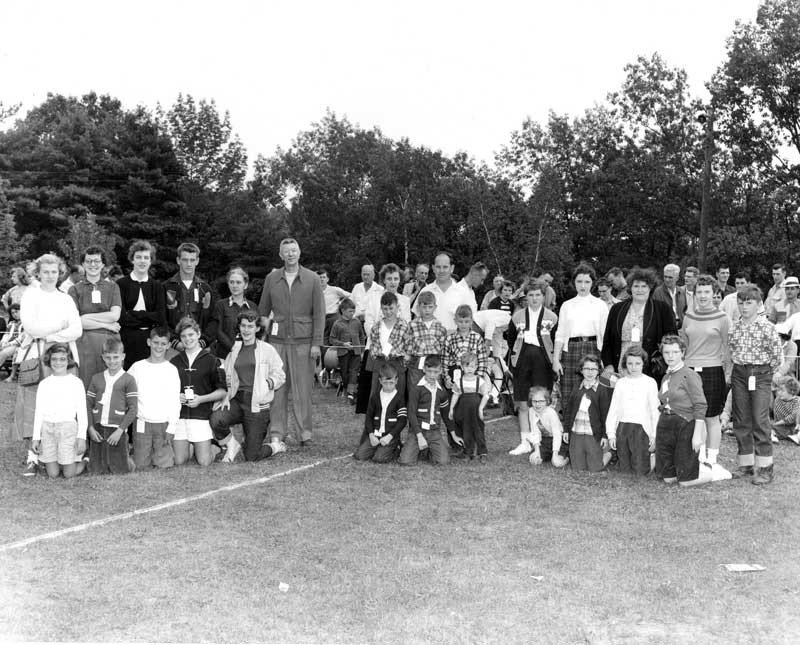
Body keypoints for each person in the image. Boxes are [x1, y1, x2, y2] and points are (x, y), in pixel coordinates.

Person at [17, 253, 82, 475]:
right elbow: (31, 328)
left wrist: (52, 336)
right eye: (45, 271)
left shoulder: (66, 298)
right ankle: (33, 457)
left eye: (54, 271)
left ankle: (66, 453)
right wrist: (59, 325)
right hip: (36, 356)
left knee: (63, 405)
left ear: (60, 272)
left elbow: (77, 329)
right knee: (35, 405)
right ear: (38, 272)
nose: (50, 276)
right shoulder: (30, 296)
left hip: (64, 354)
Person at [258, 238, 325, 447]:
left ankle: (304, 433)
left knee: (302, 391)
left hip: (304, 344)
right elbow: (262, 311)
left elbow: (320, 314)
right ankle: (277, 433)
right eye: (286, 251)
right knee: (277, 390)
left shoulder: (313, 279)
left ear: (299, 252)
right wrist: (261, 339)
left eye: (293, 250)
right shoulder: (271, 279)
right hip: (276, 343)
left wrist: (316, 343)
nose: (290, 254)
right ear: (280, 255)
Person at [210, 310, 287, 462]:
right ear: (239, 327)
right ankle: (232, 445)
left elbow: (280, 375)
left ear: (257, 328)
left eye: (250, 326)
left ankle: (275, 447)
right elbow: (228, 374)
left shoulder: (267, 349)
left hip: (257, 406)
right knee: (216, 418)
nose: (246, 330)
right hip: (238, 400)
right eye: (243, 326)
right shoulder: (235, 349)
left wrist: (266, 384)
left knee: (252, 455)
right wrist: (226, 396)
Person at [728, 284, 783, 484]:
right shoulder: (735, 325)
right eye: (741, 303)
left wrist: (768, 373)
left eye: (749, 303)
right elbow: (732, 348)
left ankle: (766, 467)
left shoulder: (767, 327)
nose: (744, 307)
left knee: (760, 419)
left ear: (758, 304)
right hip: (740, 373)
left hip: (760, 374)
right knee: (741, 418)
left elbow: (777, 355)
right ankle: (746, 464)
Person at [679, 274, 732, 481]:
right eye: (699, 292)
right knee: (692, 414)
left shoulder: (722, 318)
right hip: (690, 369)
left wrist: (728, 371)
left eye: (706, 292)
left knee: (711, 416)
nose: (702, 296)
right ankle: (697, 455)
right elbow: (683, 343)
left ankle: (712, 459)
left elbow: (727, 348)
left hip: (712, 370)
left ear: (714, 294)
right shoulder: (689, 316)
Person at [654, 334, 713, 487]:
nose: (670, 356)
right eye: (667, 352)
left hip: (685, 424)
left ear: (682, 352)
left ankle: (712, 472)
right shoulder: (666, 376)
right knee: (668, 478)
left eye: (674, 352)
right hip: (666, 424)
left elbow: (701, 405)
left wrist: (697, 435)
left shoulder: (690, 375)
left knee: (686, 482)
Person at [507, 281, 558, 455]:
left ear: (544, 297)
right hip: (522, 361)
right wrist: (515, 358)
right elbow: (511, 339)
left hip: (543, 363)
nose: (534, 298)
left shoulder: (552, 317)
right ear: (525, 297)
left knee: (541, 400)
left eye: (538, 295)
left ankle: (544, 441)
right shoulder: (517, 317)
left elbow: (556, 341)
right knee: (522, 402)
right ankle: (525, 442)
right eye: (530, 295)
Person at [601, 267, 677, 382]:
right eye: (636, 286)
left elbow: (671, 340)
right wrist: (608, 364)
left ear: (650, 288)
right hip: (621, 367)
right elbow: (607, 341)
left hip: (650, 368)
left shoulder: (662, 309)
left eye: (644, 286)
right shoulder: (617, 309)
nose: (639, 290)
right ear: (630, 288)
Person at [170, 317, 227, 466]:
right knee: (179, 460)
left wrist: (201, 399)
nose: (188, 339)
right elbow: (167, 390)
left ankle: (214, 447)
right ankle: (191, 445)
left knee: (204, 462)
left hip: (201, 416)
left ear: (198, 334)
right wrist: (177, 396)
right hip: (181, 416)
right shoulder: (174, 362)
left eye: (191, 335)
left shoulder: (212, 360)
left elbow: (222, 391)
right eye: (183, 336)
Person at [552, 263, 608, 407]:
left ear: (592, 283)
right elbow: (560, 334)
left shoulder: (600, 305)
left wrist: (604, 358)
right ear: (574, 283)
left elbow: (605, 333)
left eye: (587, 282)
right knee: (570, 392)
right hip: (571, 350)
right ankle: (568, 428)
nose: (583, 286)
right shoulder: (567, 305)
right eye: (579, 281)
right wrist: (556, 360)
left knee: (594, 391)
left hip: (594, 349)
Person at [127, 326, 181, 470]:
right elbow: (126, 392)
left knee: (164, 465)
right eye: (156, 342)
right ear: (149, 342)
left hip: (163, 424)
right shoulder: (137, 367)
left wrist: (172, 427)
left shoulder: (171, 369)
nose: (159, 347)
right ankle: (141, 451)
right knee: (140, 466)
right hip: (142, 423)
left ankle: (167, 450)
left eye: (163, 344)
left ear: (169, 345)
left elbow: (175, 400)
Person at [31, 344, 87, 479]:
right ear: (49, 361)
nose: (58, 362)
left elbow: (82, 412)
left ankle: (84, 460)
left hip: (67, 429)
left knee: (69, 474)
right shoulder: (44, 384)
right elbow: (38, 412)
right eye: (54, 359)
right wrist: (36, 438)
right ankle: (58, 459)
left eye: (62, 359)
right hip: (48, 429)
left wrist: (81, 437)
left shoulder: (76, 383)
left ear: (69, 361)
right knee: (53, 474)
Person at [69, 246, 122, 388]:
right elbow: (77, 322)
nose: (93, 265)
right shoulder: (74, 290)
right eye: (89, 261)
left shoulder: (113, 287)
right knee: (86, 386)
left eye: (97, 261)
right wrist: (106, 324)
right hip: (84, 345)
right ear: (83, 264)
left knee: (110, 387)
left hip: (110, 344)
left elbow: (115, 315)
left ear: (103, 264)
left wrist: (86, 317)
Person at [86, 337, 137, 475]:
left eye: (116, 357)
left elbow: (133, 409)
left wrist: (120, 431)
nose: (112, 361)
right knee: (96, 471)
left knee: (120, 471)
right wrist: (90, 428)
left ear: (123, 356)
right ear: (103, 357)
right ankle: (90, 458)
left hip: (117, 429)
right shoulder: (96, 378)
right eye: (108, 357)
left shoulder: (129, 379)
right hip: (98, 428)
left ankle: (127, 459)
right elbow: (88, 405)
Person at [605, 346, 660, 476]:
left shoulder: (650, 382)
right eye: (630, 363)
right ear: (625, 364)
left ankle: (654, 458)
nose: (633, 367)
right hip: (623, 427)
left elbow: (654, 410)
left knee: (640, 472)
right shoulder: (620, 383)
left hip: (641, 429)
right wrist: (611, 434)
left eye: (637, 363)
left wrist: (654, 434)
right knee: (625, 471)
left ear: (643, 364)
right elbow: (613, 409)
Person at [117, 240, 167, 370]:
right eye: (138, 257)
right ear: (132, 259)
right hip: (126, 340)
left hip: (150, 342)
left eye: (146, 258)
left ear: (151, 261)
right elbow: (121, 317)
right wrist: (148, 318)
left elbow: (160, 317)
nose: (142, 261)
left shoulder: (157, 287)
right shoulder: (121, 284)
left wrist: (133, 313)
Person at [562, 353, 612, 472]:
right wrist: (566, 430)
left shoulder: (602, 390)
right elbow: (569, 410)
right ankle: (574, 455)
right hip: (576, 432)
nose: (590, 372)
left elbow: (606, 415)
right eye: (587, 369)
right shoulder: (576, 387)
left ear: (599, 371)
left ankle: (609, 454)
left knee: (595, 469)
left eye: (594, 369)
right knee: (578, 468)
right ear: (581, 370)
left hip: (593, 433)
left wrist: (605, 436)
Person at [399, 354, 450, 466]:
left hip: (434, 431)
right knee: (405, 461)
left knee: (443, 461)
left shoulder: (442, 391)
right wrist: (419, 435)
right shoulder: (416, 388)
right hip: (418, 430)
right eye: (429, 371)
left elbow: (446, 415)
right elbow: (411, 413)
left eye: (435, 372)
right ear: (424, 369)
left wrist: (454, 433)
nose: (432, 375)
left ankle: (429, 450)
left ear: (440, 371)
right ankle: (417, 446)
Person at [164, 242, 215, 350]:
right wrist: (174, 342)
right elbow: (162, 319)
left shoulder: (205, 289)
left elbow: (213, 320)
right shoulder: (166, 288)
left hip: (199, 348)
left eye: (192, 260)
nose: (189, 264)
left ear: (197, 261)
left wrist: (203, 342)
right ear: (178, 260)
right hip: (173, 348)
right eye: (185, 260)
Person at [411, 252, 477, 332]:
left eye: (445, 267)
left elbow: (472, 323)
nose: (441, 271)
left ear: (452, 268)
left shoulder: (464, 293)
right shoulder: (425, 291)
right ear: (433, 268)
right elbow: (416, 319)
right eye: (438, 267)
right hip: (430, 342)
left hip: (455, 342)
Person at [354, 363, 407, 463]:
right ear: (380, 381)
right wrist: (371, 435)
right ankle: (378, 448)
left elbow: (402, 420)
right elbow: (369, 417)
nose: (388, 386)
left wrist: (390, 436)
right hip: (376, 435)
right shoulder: (375, 396)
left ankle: (397, 448)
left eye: (391, 383)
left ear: (396, 381)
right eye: (385, 383)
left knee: (379, 458)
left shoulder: (399, 397)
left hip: (390, 436)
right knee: (359, 455)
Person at [206, 266, 257, 359]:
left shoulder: (253, 307)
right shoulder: (220, 305)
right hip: (224, 355)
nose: (234, 285)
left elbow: (256, 331)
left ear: (245, 285)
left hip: (247, 356)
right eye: (231, 282)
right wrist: (234, 348)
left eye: (238, 282)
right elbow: (218, 331)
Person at [367, 291, 409, 399]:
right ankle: (377, 415)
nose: (388, 312)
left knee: (398, 397)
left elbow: (408, 346)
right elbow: (373, 346)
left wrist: (403, 358)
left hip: (397, 363)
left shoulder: (404, 325)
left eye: (391, 308)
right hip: (380, 363)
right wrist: (379, 357)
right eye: (385, 309)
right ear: (381, 309)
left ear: (397, 307)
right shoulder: (376, 327)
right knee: (376, 396)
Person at [449, 351, 490, 461]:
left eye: (472, 366)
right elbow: (455, 395)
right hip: (464, 410)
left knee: (478, 431)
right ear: (462, 367)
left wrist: (481, 408)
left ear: (476, 367)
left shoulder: (479, 381)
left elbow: (486, 396)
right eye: (467, 366)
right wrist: (452, 409)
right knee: (465, 430)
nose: (470, 369)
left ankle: (482, 453)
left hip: (476, 410)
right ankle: (468, 452)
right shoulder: (459, 382)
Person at [511, 386, 568, 467]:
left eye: (541, 401)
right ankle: (548, 455)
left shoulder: (551, 413)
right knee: (534, 459)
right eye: (535, 401)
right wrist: (537, 451)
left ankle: (567, 455)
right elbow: (535, 432)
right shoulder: (531, 411)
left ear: (547, 401)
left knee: (556, 463)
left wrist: (555, 454)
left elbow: (557, 435)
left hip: (559, 441)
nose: (537, 404)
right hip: (545, 441)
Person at [403, 290, 449, 388]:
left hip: (435, 364)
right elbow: (408, 348)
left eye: (430, 307)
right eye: (424, 307)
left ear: (435, 307)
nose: (427, 310)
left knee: (434, 392)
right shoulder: (412, 325)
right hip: (416, 364)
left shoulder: (440, 327)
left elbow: (443, 350)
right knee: (415, 391)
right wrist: (406, 364)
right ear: (419, 307)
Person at [328, 298, 365, 404]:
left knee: (354, 372)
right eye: (350, 311)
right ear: (343, 310)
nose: (352, 313)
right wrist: (343, 344)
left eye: (353, 311)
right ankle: (347, 391)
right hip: (343, 353)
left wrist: (361, 349)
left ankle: (351, 395)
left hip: (356, 353)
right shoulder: (337, 324)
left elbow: (361, 336)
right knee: (345, 373)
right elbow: (331, 339)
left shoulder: (357, 322)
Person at [364, 263, 411, 341]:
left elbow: (406, 324)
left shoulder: (405, 301)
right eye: (389, 279)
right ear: (384, 281)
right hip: (376, 344)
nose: (393, 282)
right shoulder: (373, 298)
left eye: (396, 279)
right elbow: (368, 323)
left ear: (399, 280)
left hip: (398, 345)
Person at [317, 268, 350, 346]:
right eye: (320, 277)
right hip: (321, 318)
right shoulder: (315, 291)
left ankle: (335, 357)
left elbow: (349, 295)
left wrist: (341, 303)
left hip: (333, 317)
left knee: (335, 339)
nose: (322, 279)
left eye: (324, 277)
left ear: (327, 279)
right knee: (323, 341)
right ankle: (324, 356)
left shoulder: (334, 290)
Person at [652, 263, 687, 329]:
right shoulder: (657, 292)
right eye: (665, 276)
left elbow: (685, 310)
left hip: (680, 329)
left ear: (677, 278)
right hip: (665, 329)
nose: (667, 280)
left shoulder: (681, 291)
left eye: (670, 277)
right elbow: (655, 314)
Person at [771, 375, 800, 444]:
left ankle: (797, 436)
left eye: (782, 390)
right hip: (782, 428)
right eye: (778, 390)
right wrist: (776, 425)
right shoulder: (777, 400)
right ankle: (772, 436)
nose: (779, 392)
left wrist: (777, 423)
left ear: (792, 391)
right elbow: (776, 416)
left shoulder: (797, 400)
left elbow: (793, 417)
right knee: (768, 429)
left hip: (795, 426)